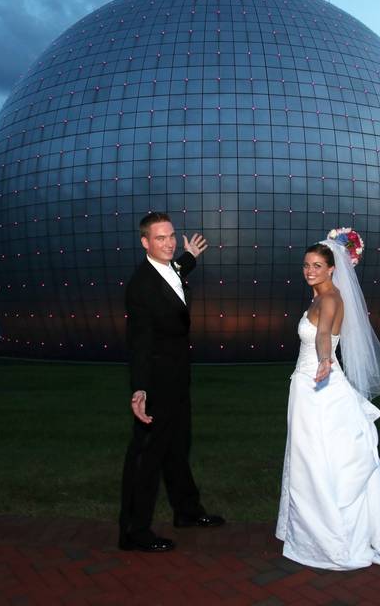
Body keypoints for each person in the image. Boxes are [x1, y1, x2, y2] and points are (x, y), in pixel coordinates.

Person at [276, 232, 380, 570]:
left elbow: (325, 335)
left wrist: (325, 360)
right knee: (311, 456)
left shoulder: (328, 300)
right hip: (307, 385)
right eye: (306, 265)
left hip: (318, 387)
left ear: (331, 270)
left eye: (317, 266)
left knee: (317, 458)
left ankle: (330, 534)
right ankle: (308, 528)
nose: (309, 271)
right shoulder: (320, 296)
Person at [118, 212, 225, 552]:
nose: (168, 243)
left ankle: (187, 512)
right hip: (157, 382)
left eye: (171, 236)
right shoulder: (140, 287)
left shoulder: (168, 269)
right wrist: (140, 388)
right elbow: (139, 342)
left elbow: (175, 274)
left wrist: (189, 257)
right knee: (146, 455)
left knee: (178, 447)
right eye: (160, 238)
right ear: (144, 242)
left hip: (179, 378)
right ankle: (133, 532)